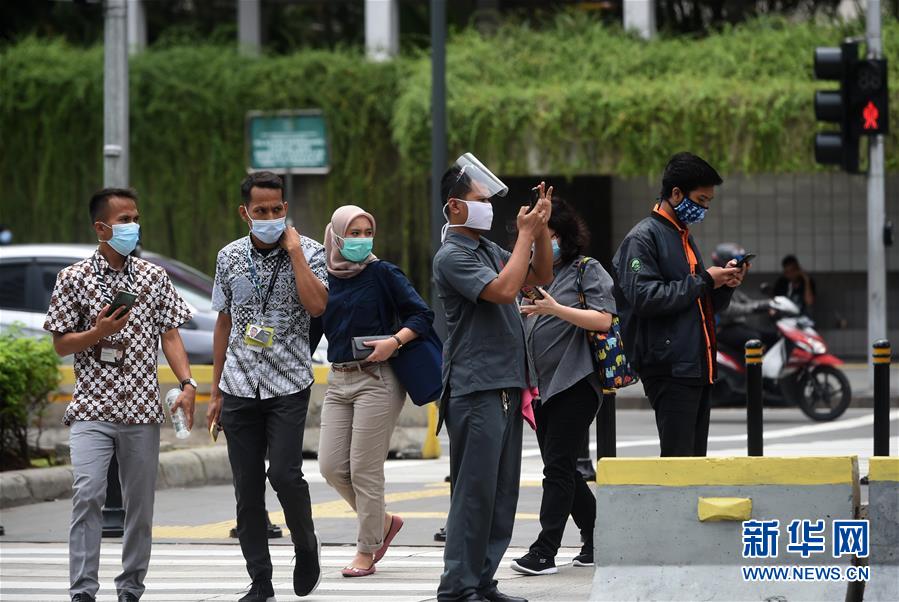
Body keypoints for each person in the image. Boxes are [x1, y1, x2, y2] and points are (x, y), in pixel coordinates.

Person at [44, 188, 195, 602]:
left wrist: (187, 384)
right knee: (87, 493)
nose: (132, 226)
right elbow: (61, 343)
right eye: (124, 219)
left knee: (139, 507)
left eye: (135, 218)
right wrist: (98, 333)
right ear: (101, 227)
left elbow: (171, 333)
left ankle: (130, 587)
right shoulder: (72, 278)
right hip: (92, 408)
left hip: (142, 411)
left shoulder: (152, 277)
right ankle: (83, 590)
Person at [433, 153, 554, 602]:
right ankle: (458, 587)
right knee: (475, 494)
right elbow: (503, 289)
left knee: (502, 495)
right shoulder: (452, 256)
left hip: (505, 383)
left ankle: (482, 580)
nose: (489, 206)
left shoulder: (485, 249)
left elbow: (539, 276)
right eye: (480, 199)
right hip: (475, 386)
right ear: (455, 207)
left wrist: (538, 230)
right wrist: (524, 234)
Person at [206, 171, 327, 601]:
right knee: (247, 487)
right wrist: (216, 389)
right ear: (245, 213)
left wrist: (294, 254)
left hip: (288, 383)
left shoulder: (310, 251)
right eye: (262, 211)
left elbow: (317, 306)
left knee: (285, 474)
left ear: (285, 208)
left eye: (278, 209)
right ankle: (260, 580)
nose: (271, 217)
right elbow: (224, 322)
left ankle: (306, 543)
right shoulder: (229, 257)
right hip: (238, 383)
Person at [318, 205, 435, 577]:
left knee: (365, 470)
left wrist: (394, 342)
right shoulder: (324, 279)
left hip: (378, 378)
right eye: (352, 232)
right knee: (332, 467)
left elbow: (421, 314)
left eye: (366, 231)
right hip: (338, 380)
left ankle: (367, 550)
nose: (361, 239)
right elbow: (309, 331)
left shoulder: (382, 273)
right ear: (336, 235)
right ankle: (383, 523)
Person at [612, 152, 747, 457]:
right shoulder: (643, 238)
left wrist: (723, 285)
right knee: (678, 463)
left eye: (708, 201)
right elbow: (645, 297)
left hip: (696, 365)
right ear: (676, 193)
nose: (704, 208)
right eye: (701, 199)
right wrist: (705, 281)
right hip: (670, 367)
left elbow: (697, 302)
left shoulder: (681, 236)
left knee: (693, 462)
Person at [511, 198, 615, 576]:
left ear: (566, 238)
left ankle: (545, 550)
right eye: (540, 237)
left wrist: (556, 309)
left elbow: (603, 320)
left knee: (556, 469)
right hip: (541, 389)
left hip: (576, 382)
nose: (546, 244)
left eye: (551, 236)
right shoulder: (528, 278)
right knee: (565, 469)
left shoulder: (587, 270)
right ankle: (598, 536)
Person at [712, 243, 777, 352]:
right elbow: (728, 309)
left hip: (737, 326)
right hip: (722, 329)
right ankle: (753, 369)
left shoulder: (732, 282)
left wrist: (768, 304)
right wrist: (757, 307)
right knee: (755, 339)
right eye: (739, 262)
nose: (743, 266)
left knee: (771, 336)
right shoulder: (718, 281)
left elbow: (747, 302)